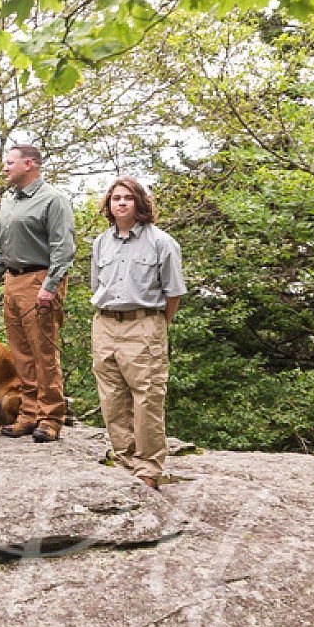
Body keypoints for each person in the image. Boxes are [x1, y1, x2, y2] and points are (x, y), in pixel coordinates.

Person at [89, 177, 186, 490]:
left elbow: (173, 293)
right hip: (104, 323)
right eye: (116, 198)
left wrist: (156, 325)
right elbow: (96, 286)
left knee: (147, 397)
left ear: (140, 204)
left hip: (143, 323)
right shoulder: (101, 243)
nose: (121, 203)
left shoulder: (162, 242)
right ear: (109, 204)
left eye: (128, 198)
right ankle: (124, 460)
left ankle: (148, 467)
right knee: (112, 396)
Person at [0, 144, 76, 443]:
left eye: (10, 163)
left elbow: (64, 247)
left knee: (43, 353)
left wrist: (50, 286)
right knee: (20, 352)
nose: (5, 168)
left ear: (29, 164)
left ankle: (50, 418)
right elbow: (0, 244)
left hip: (40, 279)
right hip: (12, 280)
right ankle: (29, 413)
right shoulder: (9, 200)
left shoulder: (53, 200)